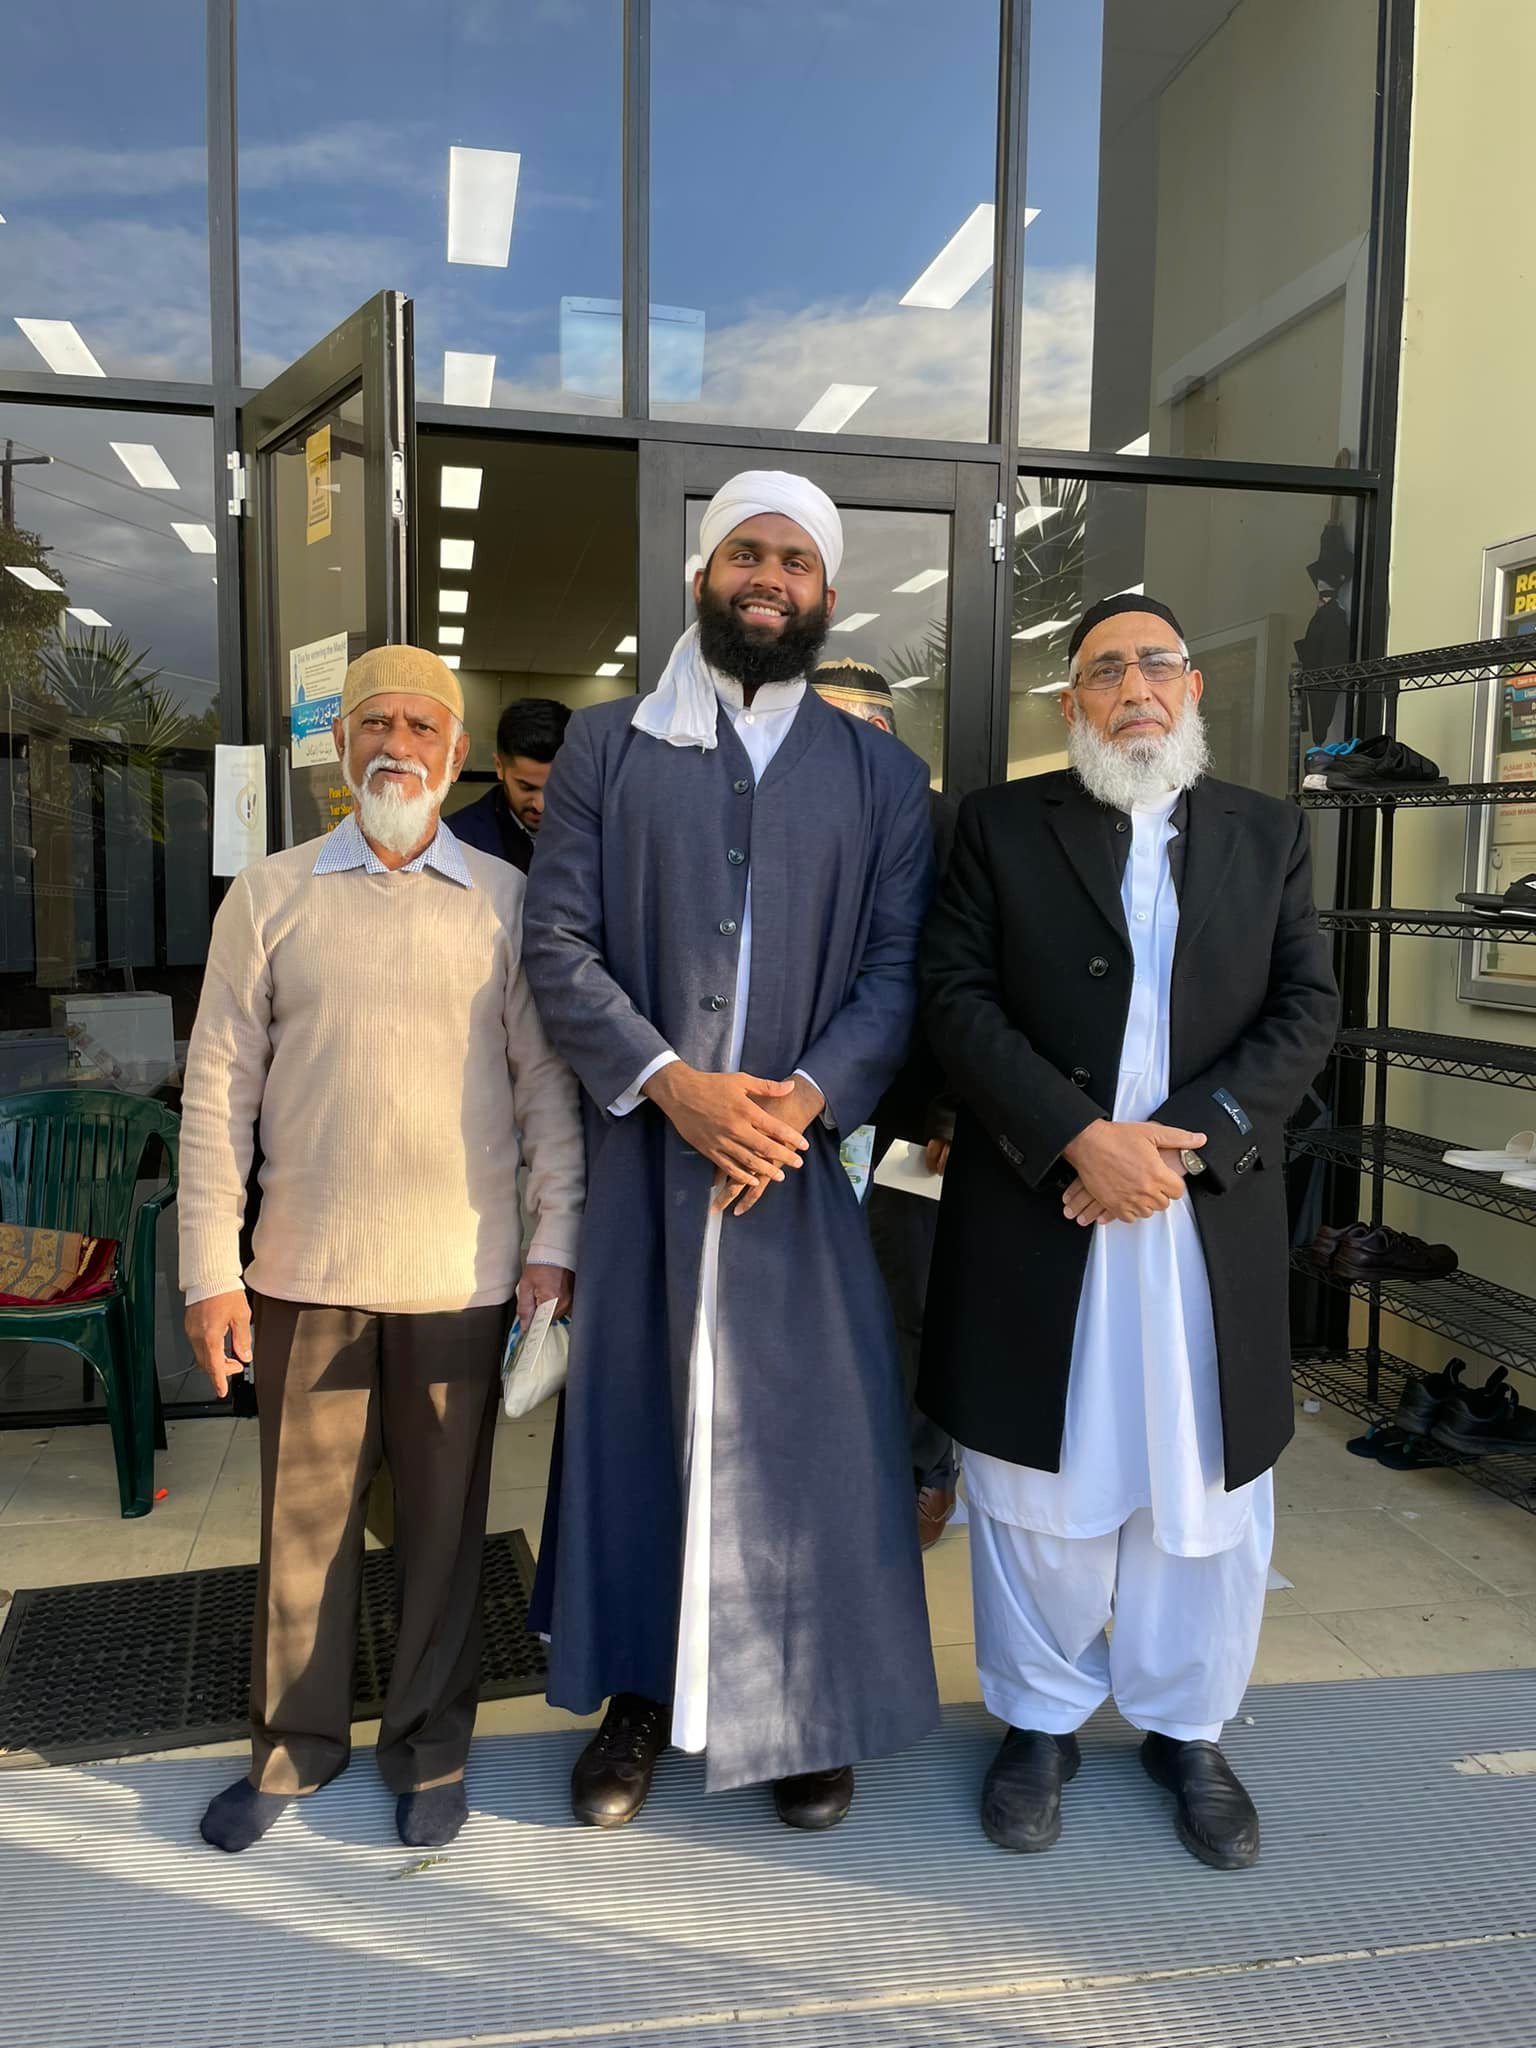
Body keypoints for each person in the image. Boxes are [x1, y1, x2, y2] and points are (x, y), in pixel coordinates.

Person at [521, 471, 940, 1833]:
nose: (769, 578)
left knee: (806, 1438)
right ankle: (639, 1694)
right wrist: (674, 1087)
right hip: (651, 1158)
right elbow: (557, 943)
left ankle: (806, 1711)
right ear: (703, 576)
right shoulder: (607, 748)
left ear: (826, 593)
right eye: (746, 554)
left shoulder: (883, 776)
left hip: (796, 1170)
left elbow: (896, 974)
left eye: (794, 562)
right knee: (642, 1424)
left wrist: (796, 1106)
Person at [919, 594, 1338, 1871]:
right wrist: (1077, 1136)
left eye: (1159, 663)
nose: (1135, 687)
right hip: (1044, 1203)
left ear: (1194, 688)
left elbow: (1307, 1007)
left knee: (1201, 1481)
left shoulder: (1268, 832)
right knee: (1039, 1483)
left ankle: (1185, 1726)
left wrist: (1178, 1143)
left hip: (1204, 1217)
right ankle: (1038, 1720)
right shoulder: (997, 826)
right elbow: (954, 996)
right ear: (1074, 703)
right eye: (1107, 670)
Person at [178, 644, 584, 1855]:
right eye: (374, 722)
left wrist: (556, 1242)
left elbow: (548, 1091)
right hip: (303, 1271)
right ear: (340, 744)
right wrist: (209, 1269)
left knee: (447, 1534)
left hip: (462, 1275)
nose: (396, 743)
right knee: (301, 1530)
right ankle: (292, 1747)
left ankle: (429, 1748)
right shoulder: (270, 894)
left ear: (455, 755)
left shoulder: (507, 901)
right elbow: (216, 1091)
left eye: (420, 725)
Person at [811, 659, 959, 1546]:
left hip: (913, 1115)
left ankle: (925, 1470)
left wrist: (954, 1112)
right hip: (803, 1106)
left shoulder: (946, 826)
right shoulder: (781, 813)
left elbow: (976, 978)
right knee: (817, 1292)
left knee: (911, 1298)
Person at [452, 696, 572, 872]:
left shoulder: (601, 831)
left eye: (555, 787)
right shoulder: (456, 838)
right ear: (499, 767)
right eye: (526, 787)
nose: (540, 805)